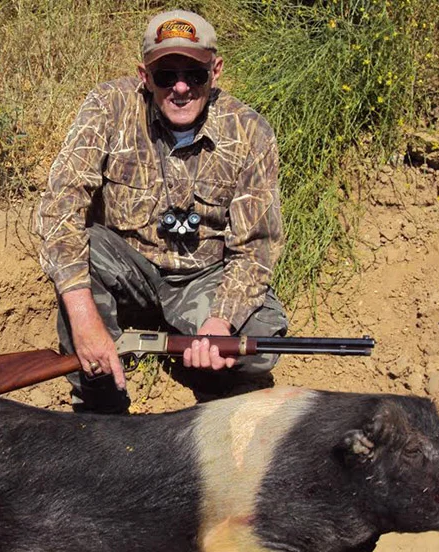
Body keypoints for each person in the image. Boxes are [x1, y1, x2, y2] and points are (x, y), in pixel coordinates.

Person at [33, 9, 288, 413]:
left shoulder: (250, 131)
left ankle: (211, 378)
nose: (181, 88)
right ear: (144, 75)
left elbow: (256, 250)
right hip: (126, 267)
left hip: (203, 277)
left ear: (216, 71)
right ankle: (100, 404)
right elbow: (60, 205)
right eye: (166, 75)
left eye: (195, 74)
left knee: (258, 342)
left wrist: (219, 322)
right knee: (81, 253)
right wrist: (83, 316)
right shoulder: (108, 106)